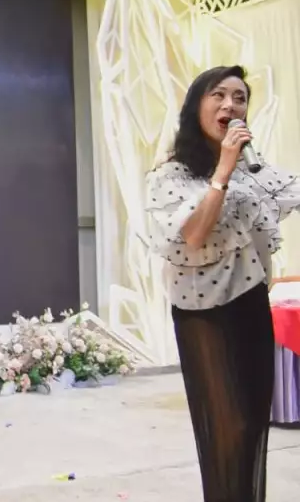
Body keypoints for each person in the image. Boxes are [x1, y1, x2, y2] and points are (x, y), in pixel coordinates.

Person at [145, 64, 300, 501]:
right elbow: (194, 235)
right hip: (202, 315)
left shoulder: (254, 170)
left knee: (251, 425)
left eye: (240, 98)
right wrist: (223, 172)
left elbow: (293, 189)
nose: (230, 105)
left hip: (249, 304)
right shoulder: (171, 175)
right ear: (196, 106)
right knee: (224, 430)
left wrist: (235, 168)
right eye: (218, 95)